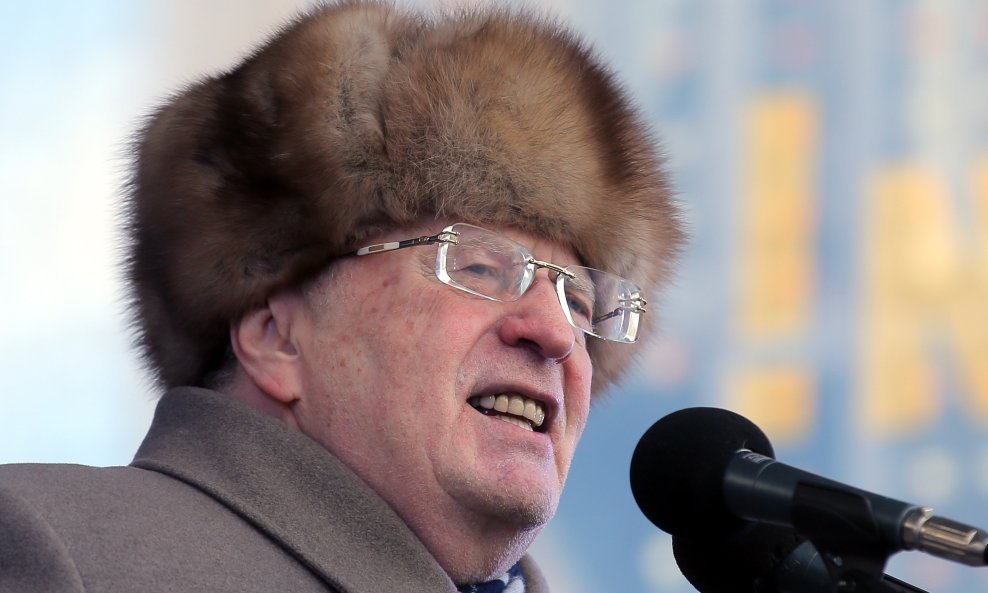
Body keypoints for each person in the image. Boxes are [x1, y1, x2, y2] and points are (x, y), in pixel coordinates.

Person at [0, 1, 683, 591]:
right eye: (479, 267)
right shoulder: (55, 551)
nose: (558, 334)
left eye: (581, 303)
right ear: (275, 334)